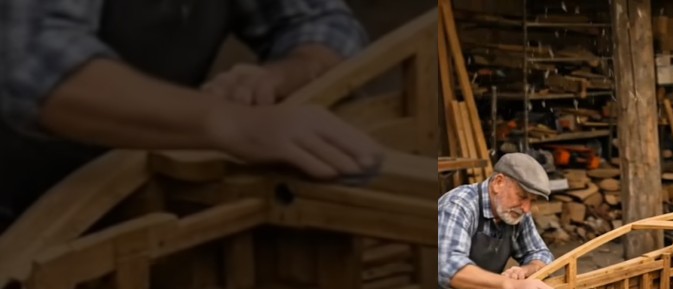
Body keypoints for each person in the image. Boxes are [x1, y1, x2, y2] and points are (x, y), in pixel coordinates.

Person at [0, 0, 386, 232]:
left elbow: (324, 22)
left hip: (125, 196)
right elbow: (34, 67)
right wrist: (233, 123)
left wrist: (285, 74)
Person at [437, 152, 560, 289]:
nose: (526, 209)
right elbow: (448, 268)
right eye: (522, 196)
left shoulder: (515, 212)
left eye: (532, 200)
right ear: (498, 183)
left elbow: (541, 253)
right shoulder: (459, 205)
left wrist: (526, 270)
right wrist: (510, 285)